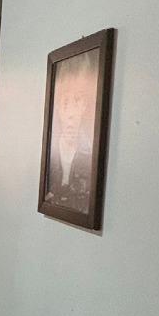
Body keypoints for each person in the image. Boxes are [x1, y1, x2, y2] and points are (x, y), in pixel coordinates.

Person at [45, 50, 97, 214]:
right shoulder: (48, 152)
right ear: (57, 106)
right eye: (65, 102)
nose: (71, 113)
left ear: (85, 106)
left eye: (78, 100)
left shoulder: (91, 152)